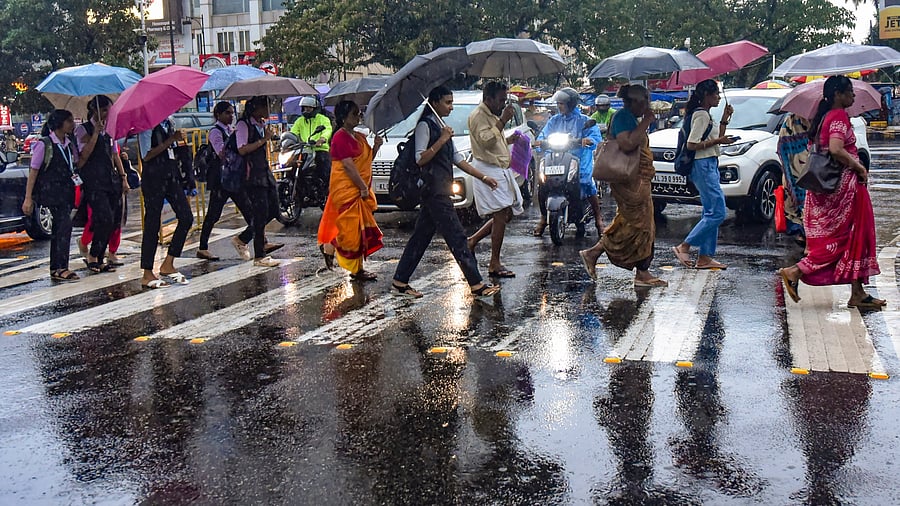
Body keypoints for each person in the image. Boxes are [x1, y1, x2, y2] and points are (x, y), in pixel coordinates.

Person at [777, 76, 885, 309]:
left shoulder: (824, 116)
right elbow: (836, 149)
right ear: (837, 94)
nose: (853, 96)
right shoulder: (838, 116)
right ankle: (796, 271)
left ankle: (858, 293)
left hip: (833, 188)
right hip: (844, 189)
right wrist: (858, 167)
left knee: (852, 236)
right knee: (845, 237)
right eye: (849, 91)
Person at [391, 86, 501, 299]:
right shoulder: (426, 126)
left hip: (440, 189)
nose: (451, 107)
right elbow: (420, 158)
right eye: (447, 102)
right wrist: (441, 139)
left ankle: (400, 280)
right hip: (433, 190)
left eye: (452, 102)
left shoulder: (443, 126)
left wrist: (483, 177)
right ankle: (476, 284)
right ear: (434, 103)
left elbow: (457, 159)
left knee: (421, 237)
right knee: (457, 237)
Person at [578, 84, 667, 288]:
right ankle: (640, 271)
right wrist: (646, 121)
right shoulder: (623, 117)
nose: (647, 105)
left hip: (637, 179)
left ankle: (598, 255)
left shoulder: (630, 118)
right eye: (645, 101)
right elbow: (627, 144)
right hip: (631, 181)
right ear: (634, 102)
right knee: (640, 225)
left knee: (630, 222)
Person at [671, 79, 735, 270]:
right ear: (707, 96)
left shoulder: (705, 114)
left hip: (709, 163)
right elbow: (692, 144)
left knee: (710, 212)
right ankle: (685, 246)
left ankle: (705, 257)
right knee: (718, 212)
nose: (718, 97)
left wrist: (724, 119)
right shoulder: (701, 115)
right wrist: (718, 141)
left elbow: (716, 138)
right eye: (716, 94)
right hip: (703, 165)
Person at [317, 100, 384, 279]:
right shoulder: (339, 137)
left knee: (358, 230)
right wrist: (362, 187)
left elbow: (365, 162)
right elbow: (348, 166)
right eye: (354, 114)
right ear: (343, 117)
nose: (358, 117)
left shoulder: (359, 136)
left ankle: (337, 252)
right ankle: (351, 265)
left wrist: (376, 147)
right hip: (346, 189)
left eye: (358, 113)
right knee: (351, 230)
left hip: (358, 188)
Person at [466, 81, 523, 279]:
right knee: (500, 214)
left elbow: (495, 141)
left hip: (500, 168)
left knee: (507, 213)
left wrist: (508, 140)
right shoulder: (478, 116)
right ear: (488, 99)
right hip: (488, 169)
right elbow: (485, 141)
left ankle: (472, 241)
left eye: (504, 100)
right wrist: (503, 120)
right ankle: (494, 263)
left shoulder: (491, 115)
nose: (503, 104)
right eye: (500, 100)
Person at [532, 87, 603, 236]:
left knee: (585, 181)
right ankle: (544, 218)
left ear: (571, 104)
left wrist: (588, 140)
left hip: (579, 157)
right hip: (556, 157)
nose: (559, 106)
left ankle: (599, 219)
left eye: (562, 103)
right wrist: (539, 142)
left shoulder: (584, 120)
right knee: (543, 183)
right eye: (558, 103)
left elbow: (595, 137)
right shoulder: (554, 120)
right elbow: (544, 134)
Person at [22, 109, 79, 282]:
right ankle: (59, 267)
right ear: (60, 123)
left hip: (67, 191)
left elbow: (75, 163)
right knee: (62, 226)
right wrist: (28, 197)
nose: (72, 124)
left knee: (63, 228)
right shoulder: (45, 144)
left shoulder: (69, 143)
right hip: (52, 192)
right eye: (69, 121)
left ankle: (59, 266)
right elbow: (33, 171)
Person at [138, 115, 194, 288]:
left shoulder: (169, 122)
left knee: (186, 217)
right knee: (152, 223)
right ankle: (147, 271)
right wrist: (170, 140)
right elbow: (146, 155)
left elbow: (173, 150)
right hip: (154, 178)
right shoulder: (146, 127)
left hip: (171, 175)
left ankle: (169, 262)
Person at [74, 95, 128, 273]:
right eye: (104, 110)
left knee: (112, 220)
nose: (107, 114)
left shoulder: (109, 129)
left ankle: (100, 256)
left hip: (110, 180)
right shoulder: (83, 130)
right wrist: (96, 133)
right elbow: (83, 156)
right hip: (93, 181)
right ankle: (93, 255)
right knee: (103, 218)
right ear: (95, 110)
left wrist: (123, 176)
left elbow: (114, 154)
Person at [196, 101, 255, 261]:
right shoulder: (216, 132)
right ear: (219, 115)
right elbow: (222, 153)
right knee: (213, 214)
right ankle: (202, 247)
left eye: (232, 113)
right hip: (221, 180)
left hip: (233, 178)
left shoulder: (230, 130)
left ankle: (261, 241)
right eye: (227, 113)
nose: (231, 116)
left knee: (249, 211)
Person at [236, 95, 280, 267]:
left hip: (263, 171)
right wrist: (263, 140)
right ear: (256, 108)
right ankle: (260, 255)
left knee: (273, 209)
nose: (269, 109)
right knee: (260, 213)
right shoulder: (243, 125)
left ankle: (243, 238)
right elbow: (242, 149)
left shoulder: (260, 124)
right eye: (265, 106)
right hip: (252, 175)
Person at [776, 113, 810, 242]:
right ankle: (806, 235)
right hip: (803, 170)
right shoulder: (792, 122)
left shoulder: (788, 123)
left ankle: (804, 234)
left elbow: (781, 147)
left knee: (801, 202)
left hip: (793, 172)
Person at [290, 96, 333, 183]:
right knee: (293, 165)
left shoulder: (322, 119)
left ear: (315, 108)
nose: (307, 110)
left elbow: (327, 130)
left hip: (320, 149)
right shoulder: (300, 121)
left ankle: (326, 187)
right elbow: (292, 133)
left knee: (324, 170)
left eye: (309, 107)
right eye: (305, 107)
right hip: (304, 150)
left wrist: (322, 139)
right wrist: (287, 142)